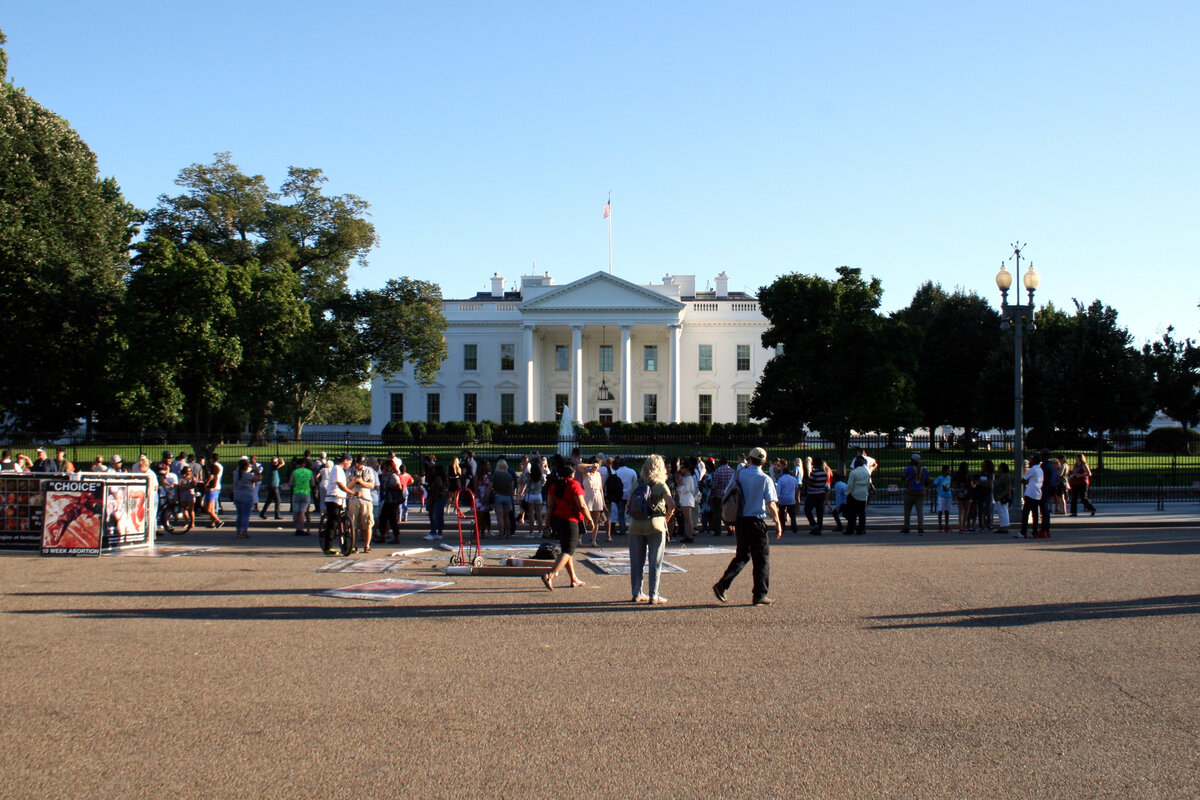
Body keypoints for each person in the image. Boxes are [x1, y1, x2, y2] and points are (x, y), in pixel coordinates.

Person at [712, 446, 783, 606]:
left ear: (750, 459)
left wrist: (730, 520)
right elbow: (771, 503)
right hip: (756, 521)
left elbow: (728, 494)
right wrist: (777, 522)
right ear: (764, 462)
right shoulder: (765, 479)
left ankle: (723, 584)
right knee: (761, 559)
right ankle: (760, 593)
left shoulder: (739, 474)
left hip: (740, 519)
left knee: (742, 555)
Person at [627, 454, 675, 603]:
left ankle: (637, 593)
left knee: (636, 561)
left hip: (636, 525)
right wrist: (668, 514)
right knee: (655, 561)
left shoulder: (637, 483)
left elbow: (628, 504)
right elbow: (671, 503)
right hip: (655, 524)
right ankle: (653, 594)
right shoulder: (660, 484)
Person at [541, 456, 594, 590]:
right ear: (571, 473)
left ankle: (573, 578)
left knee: (566, 549)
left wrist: (546, 523)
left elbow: (550, 507)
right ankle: (550, 575)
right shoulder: (574, 485)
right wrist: (589, 519)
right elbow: (582, 505)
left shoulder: (554, 486)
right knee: (569, 551)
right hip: (571, 520)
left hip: (557, 519)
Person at [320, 453, 354, 555]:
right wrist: (352, 492)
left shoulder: (341, 470)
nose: (350, 464)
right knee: (333, 523)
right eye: (350, 462)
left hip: (341, 499)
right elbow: (340, 485)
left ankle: (347, 546)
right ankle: (328, 547)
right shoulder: (337, 469)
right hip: (333, 499)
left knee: (344, 523)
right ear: (345, 461)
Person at [347, 454, 377, 552]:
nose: (360, 465)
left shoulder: (369, 470)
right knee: (353, 524)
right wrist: (354, 480)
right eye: (359, 463)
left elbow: (372, 485)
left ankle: (367, 545)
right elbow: (347, 486)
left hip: (366, 499)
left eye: (362, 463)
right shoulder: (350, 471)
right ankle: (353, 545)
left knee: (367, 523)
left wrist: (362, 482)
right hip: (353, 500)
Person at [581, 456, 608, 546]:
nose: (595, 468)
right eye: (594, 466)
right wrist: (590, 466)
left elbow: (601, 489)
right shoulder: (586, 473)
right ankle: (580, 538)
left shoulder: (598, 475)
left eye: (597, 466)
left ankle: (594, 540)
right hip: (587, 495)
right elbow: (580, 467)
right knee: (585, 518)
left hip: (597, 496)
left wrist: (603, 502)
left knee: (596, 520)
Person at [231, 457, 260, 539]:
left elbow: (237, 471)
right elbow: (259, 478)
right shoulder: (248, 475)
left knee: (239, 515)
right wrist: (256, 468)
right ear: (246, 467)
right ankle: (243, 531)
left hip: (237, 495)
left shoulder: (236, 474)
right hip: (247, 496)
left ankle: (238, 531)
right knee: (245, 515)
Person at [378, 458, 405, 544]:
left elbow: (399, 487)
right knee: (383, 517)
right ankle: (382, 535)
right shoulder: (387, 475)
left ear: (390, 466)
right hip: (388, 499)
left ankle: (396, 536)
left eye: (386, 466)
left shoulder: (393, 475)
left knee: (391, 518)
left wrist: (388, 485)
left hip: (392, 500)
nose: (385, 468)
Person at [900, 454, 929, 534]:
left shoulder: (909, 468)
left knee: (907, 511)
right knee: (920, 512)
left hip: (910, 492)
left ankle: (906, 527)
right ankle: (920, 527)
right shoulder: (925, 470)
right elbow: (927, 481)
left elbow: (903, 477)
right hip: (920, 493)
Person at [844, 456, 872, 535]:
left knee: (852, 513)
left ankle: (851, 529)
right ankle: (861, 529)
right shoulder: (867, 472)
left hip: (854, 493)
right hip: (863, 493)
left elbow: (850, 485)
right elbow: (868, 484)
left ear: (856, 464)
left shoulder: (853, 472)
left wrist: (848, 493)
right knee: (862, 513)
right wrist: (866, 491)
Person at [708, 458, 735, 536]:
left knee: (717, 513)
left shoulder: (718, 471)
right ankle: (730, 529)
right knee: (729, 513)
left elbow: (715, 485)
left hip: (719, 494)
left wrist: (712, 494)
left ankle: (717, 530)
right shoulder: (732, 471)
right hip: (729, 494)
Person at [802, 457, 829, 534]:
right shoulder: (824, 473)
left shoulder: (814, 473)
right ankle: (819, 527)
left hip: (813, 494)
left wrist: (806, 481)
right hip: (821, 493)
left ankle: (814, 525)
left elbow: (810, 483)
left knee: (807, 509)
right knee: (819, 512)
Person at [1019, 457, 1043, 539]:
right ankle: (1034, 531)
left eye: (1031, 460)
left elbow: (1023, 479)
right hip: (1037, 493)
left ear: (1034, 461)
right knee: (1035, 514)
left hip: (1030, 493)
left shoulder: (1032, 470)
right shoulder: (1040, 470)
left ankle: (1023, 532)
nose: (1029, 462)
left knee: (1025, 514)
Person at [423, 464, 448, 541]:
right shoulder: (443, 478)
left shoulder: (437, 477)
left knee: (435, 516)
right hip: (442, 497)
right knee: (440, 516)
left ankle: (433, 532)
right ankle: (439, 533)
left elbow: (440, 486)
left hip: (438, 497)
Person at [674, 460, 696, 543]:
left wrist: (680, 485)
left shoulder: (689, 478)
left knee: (688, 519)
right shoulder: (685, 477)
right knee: (686, 519)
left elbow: (688, 489)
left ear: (686, 469)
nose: (681, 469)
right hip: (684, 499)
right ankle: (688, 534)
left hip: (687, 499)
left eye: (683, 468)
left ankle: (690, 535)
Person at [776, 464, 799, 534]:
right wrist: (796, 498)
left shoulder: (781, 479)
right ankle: (794, 527)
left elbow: (778, 490)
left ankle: (782, 527)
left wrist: (777, 499)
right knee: (792, 514)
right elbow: (796, 488)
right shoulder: (794, 479)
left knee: (781, 514)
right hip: (791, 499)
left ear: (783, 472)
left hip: (782, 499)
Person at [176, 466, 197, 532]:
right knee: (184, 508)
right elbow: (180, 487)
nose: (189, 472)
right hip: (183, 494)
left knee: (191, 509)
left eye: (190, 470)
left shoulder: (193, 477)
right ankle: (186, 522)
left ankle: (192, 522)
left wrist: (185, 487)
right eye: (188, 471)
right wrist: (188, 487)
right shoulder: (181, 478)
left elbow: (194, 485)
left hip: (190, 494)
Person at [993, 462, 1013, 533]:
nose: (998, 469)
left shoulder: (1006, 477)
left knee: (1003, 512)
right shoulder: (1001, 476)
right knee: (1001, 511)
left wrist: (1001, 495)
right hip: (999, 496)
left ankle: (1005, 527)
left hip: (1002, 497)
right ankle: (1002, 526)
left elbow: (1008, 488)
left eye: (999, 467)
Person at [953, 462, 973, 533]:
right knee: (966, 511)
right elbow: (971, 485)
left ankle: (961, 527)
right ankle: (964, 525)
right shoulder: (968, 475)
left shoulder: (957, 475)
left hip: (960, 493)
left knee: (960, 511)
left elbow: (954, 484)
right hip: (967, 493)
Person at [932, 464, 953, 532]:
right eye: (948, 470)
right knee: (940, 510)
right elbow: (934, 484)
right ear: (944, 471)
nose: (949, 471)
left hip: (948, 495)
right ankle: (940, 526)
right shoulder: (939, 478)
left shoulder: (949, 477)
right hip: (941, 496)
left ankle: (947, 525)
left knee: (947, 510)